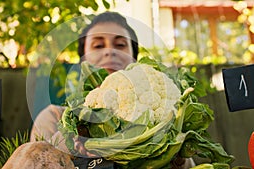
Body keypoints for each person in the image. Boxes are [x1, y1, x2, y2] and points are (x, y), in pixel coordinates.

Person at [30, 11, 195, 169]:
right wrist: (79, 131)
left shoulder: (161, 115)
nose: (110, 51)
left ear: (134, 59)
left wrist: (174, 150)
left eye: (120, 44)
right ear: (83, 62)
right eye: (98, 45)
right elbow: (38, 162)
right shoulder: (54, 117)